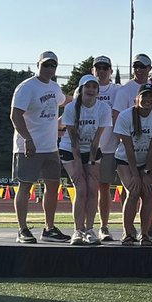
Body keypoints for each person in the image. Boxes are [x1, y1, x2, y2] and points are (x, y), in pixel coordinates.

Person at [10, 51, 68, 243]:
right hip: (29, 146)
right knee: (25, 186)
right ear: (38, 65)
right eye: (46, 65)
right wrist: (27, 138)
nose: (49, 69)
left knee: (53, 185)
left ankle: (49, 228)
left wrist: (84, 95)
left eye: (53, 66)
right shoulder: (26, 87)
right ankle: (22, 229)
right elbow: (15, 115)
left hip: (50, 146)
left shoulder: (54, 87)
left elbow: (63, 100)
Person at [60, 74, 112, 245]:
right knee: (80, 188)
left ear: (97, 91)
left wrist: (89, 163)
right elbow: (73, 139)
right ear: (81, 90)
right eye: (87, 87)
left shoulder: (103, 108)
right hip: (71, 150)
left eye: (94, 87)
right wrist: (77, 165)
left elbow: (96, 140)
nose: (91, 90)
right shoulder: (71, 108)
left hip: (92, 149)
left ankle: (90, 229)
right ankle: (78, 230)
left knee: (92, 188)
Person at [113, 83, 152, 245]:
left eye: (151, 96)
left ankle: (145, 233)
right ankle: (128, 233)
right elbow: (128, 148)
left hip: (148, 161)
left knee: (148, 192)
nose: (148, 99)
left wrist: (147, 171)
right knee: (133, 192)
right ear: (137, 98)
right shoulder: (126, 116)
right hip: (126, 161)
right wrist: (135, 175)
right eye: (145, 96)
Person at [90, 55, 121, 242]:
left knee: (104, 188)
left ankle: (103, 226)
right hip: (88, 147)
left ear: (110, 70)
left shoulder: (117, 89)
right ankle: (85, 227)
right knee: (87, 188)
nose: (101, 71)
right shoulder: (85, 88)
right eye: (98, 67)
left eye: (105, 67)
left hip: (109, 147)